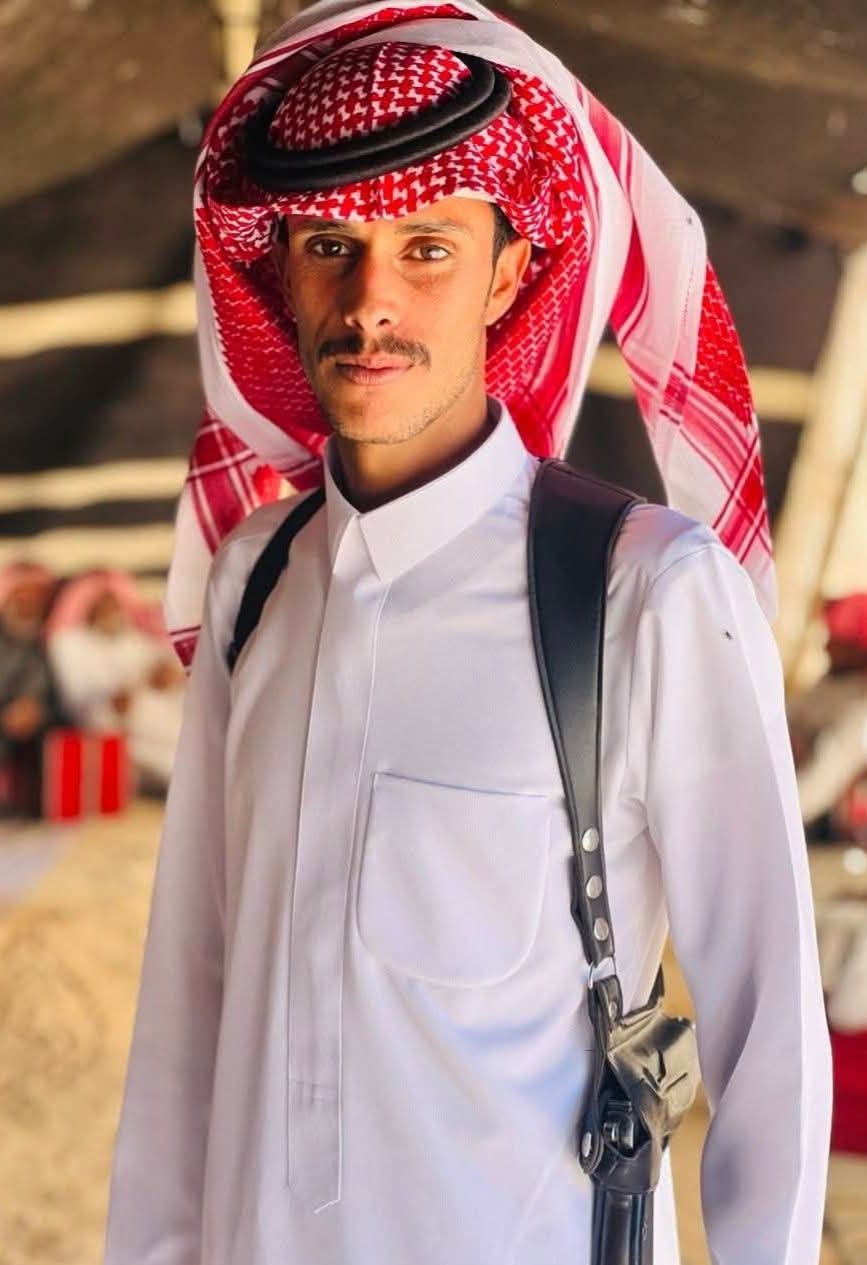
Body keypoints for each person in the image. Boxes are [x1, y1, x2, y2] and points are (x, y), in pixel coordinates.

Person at [105, 4, 832, 1264]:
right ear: (279, 269)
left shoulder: (644, 591)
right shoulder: (254, 580)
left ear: (507, 275)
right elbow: (189, 999)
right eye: (330, 246)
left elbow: (770, 1033)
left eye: (427, 248)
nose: (369, 302)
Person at [47, 571, 185, 793]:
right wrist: (112, 706)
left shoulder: (134, 640)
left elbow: (172, 668)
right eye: (102, 606)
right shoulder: (70, 646)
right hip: (127, 742)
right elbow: (80, 710)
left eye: (115, 604)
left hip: (173, 727)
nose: (111, 612)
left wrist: (171, 675)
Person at [789, 593, 867, 839]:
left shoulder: (861, 711)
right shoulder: (830, 687)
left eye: (837, 639)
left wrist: (777, 816)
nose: (827, 645)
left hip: (830, 835)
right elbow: (785, 719)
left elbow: (823, 779)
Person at [0, 562, 64, 815]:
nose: (29, 606)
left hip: (34, 733)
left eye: (36, 599)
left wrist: (38, 710)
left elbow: (59, 698)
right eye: (22, 597)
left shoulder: (46, 643)